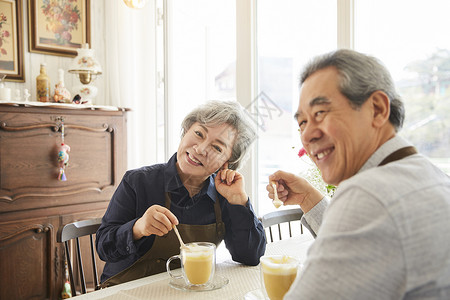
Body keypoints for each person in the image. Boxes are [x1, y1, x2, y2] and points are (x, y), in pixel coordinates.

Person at [267, 49, 450, 299]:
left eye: (320, 113)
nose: (307, 135)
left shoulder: (369, 194)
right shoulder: (430, 176)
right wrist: (309, 199)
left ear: (377, 109)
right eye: (302, 123)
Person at [97, 100, 266, 287]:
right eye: (199, 134)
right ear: (186, 131)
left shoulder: (224, 194)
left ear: (227, 163)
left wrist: (239, 201)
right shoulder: (137, 181)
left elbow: (250, 256)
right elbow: (104, 247)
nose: (201, 149)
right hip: (125, 291)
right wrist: (138, 228)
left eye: (217, 148)